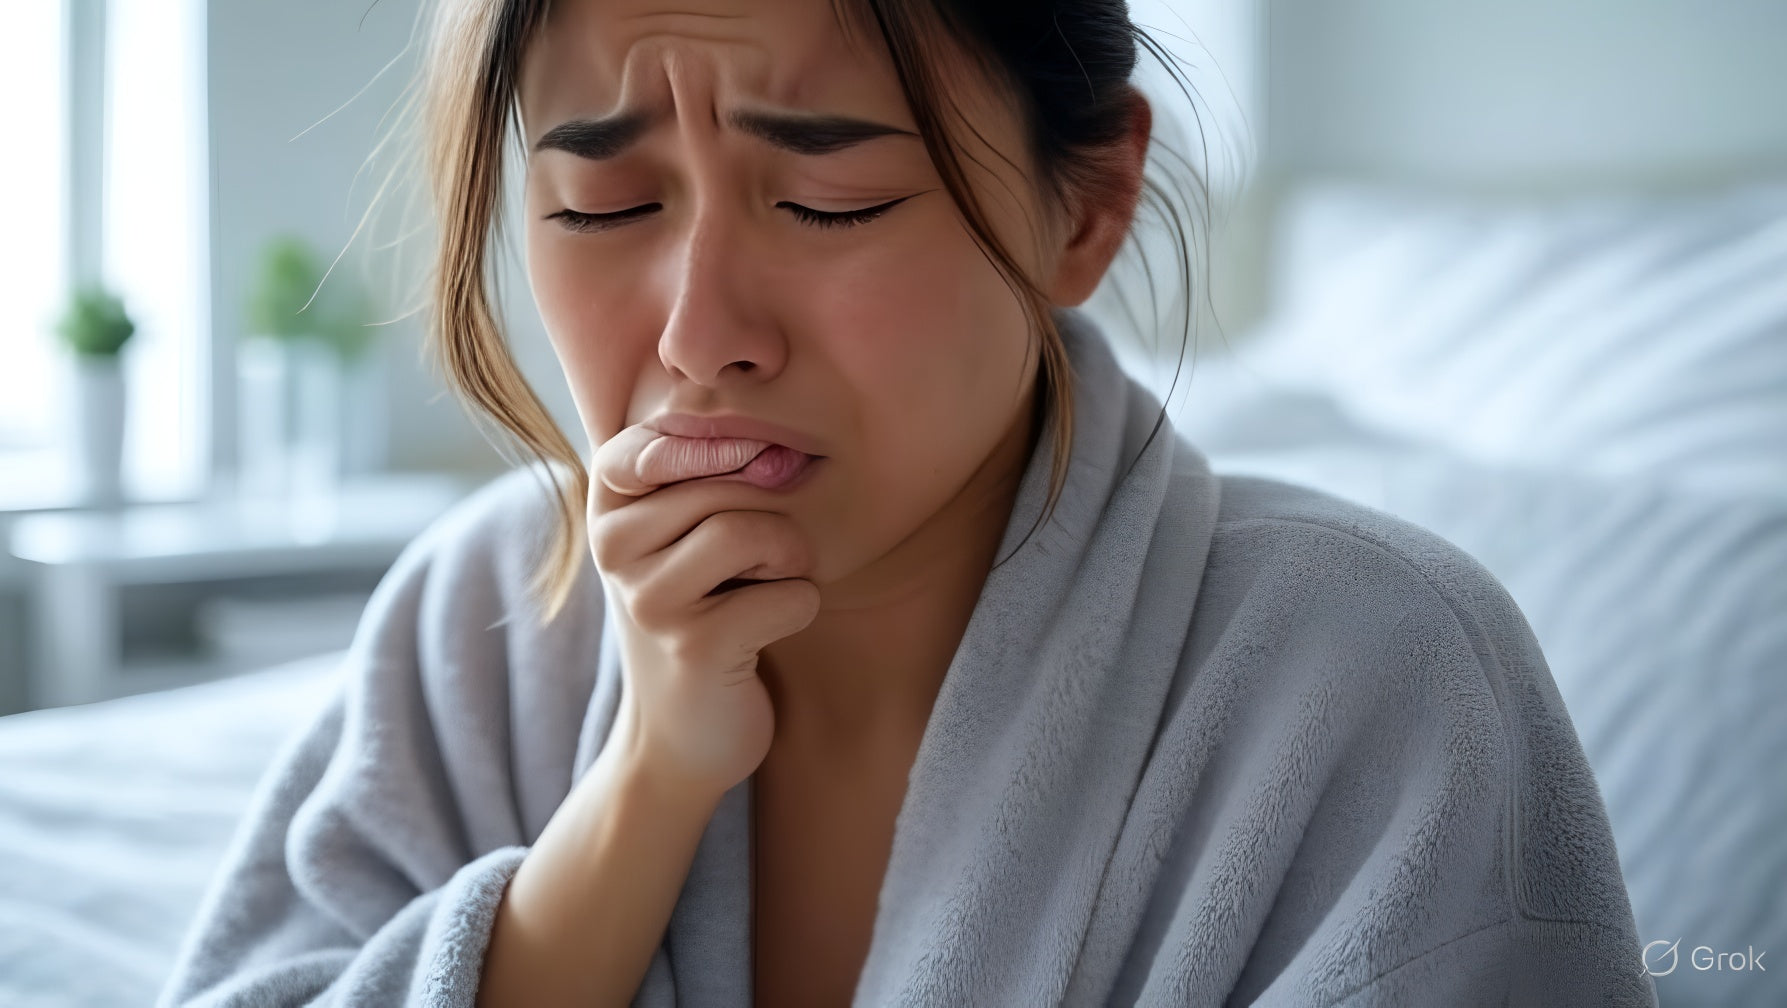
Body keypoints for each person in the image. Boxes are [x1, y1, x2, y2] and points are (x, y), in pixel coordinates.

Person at [159, 0, 1657, 1005]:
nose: (699, 334)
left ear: (1087, 206)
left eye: (831, 202)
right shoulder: (478, 614)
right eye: (605, 209)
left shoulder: (1381, 670)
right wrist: (645, 785)